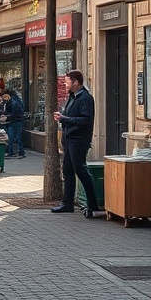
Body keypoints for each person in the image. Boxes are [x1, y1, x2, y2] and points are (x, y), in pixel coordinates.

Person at [51, 69, 103, 216]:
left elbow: (86, 120)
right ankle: (67, 203)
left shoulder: (85, 98)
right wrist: (63, 117)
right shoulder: (72, 97)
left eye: (67, 82)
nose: (65, 85)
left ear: (76, 82)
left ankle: (92, 204)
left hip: (79, 140)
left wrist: (64, 119)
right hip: (69, 138)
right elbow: (69, 115)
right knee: (67, 170)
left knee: (80, 170)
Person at [0, 89, 25, 159]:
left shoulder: (14, 102)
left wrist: (6, 118)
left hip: (15, 121)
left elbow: (15, 113)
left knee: (14, 137)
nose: (4, 98)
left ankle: (15, 152)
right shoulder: (13, 101)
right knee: (14, 137)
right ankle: (15, 152)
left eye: (5, 97)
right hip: (14, 121)